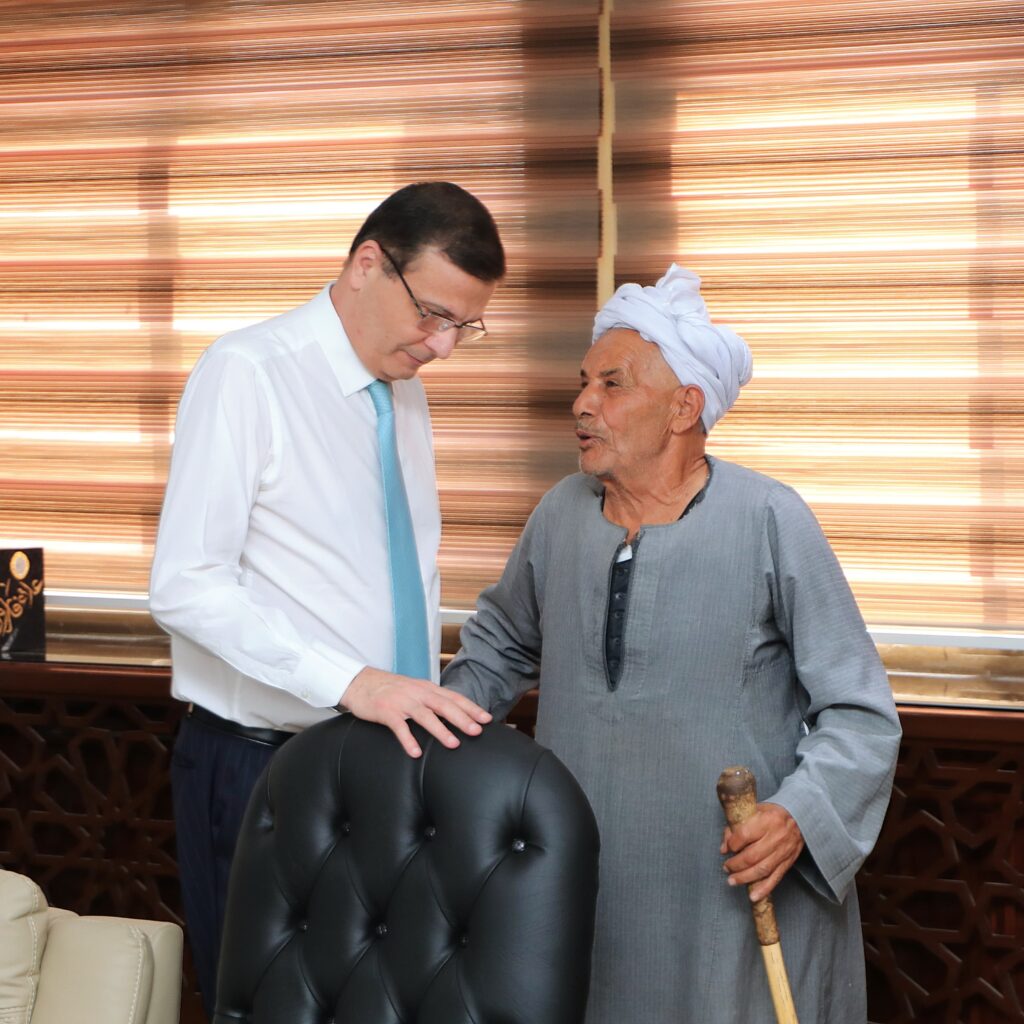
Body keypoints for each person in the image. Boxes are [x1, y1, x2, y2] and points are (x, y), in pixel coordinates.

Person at [441, 264, 902, 1024]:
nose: (583, 404)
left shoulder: (770, 518)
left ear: (685, 406)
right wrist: (413, 744)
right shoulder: (559, 515)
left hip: (727, 898)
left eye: (612, 385)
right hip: (581, 882)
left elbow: (860, 714)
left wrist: (798, 816)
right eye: (583, 383)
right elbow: (495, 654)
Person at [149, 181, 499, 1014]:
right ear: (367, 264)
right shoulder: (248, 372)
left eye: (463, 326)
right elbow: (186, 585)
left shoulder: (402, 391)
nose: (443, 346)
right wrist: (353, 682)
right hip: (265, 766)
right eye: (433, 314)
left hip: (388, 767)